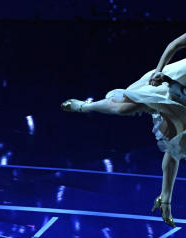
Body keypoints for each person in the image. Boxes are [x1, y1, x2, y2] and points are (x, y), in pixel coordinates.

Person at [61, 32, 186, 227]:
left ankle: (165, 200)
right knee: (126, 107)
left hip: (183, 98)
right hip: (173, 81)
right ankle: (85, 106)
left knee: (176, 143)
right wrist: (158, 72)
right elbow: (173, 45)